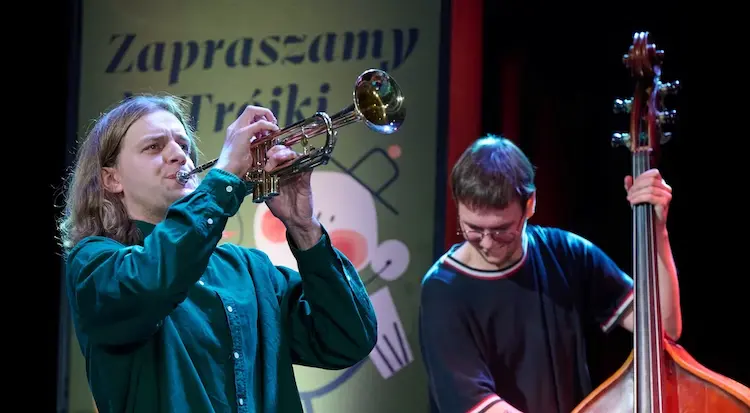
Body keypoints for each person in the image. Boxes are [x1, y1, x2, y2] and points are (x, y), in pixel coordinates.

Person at [57, 94, 378, 413]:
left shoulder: (250, 269)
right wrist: (226, 176)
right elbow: (150, 282)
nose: (179, 155)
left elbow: (350, 340)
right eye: (154, 147)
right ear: (112, 178)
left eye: (184, 146)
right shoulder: (94, 263)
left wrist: (304, 227)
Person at [418, 134, 682, 413]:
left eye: (501, 230)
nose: (486, 243)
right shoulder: (442, 289)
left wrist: (657, 230)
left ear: (530, 204)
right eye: (472, 228)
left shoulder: (568, 253)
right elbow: (479, 406)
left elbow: (665, 329)